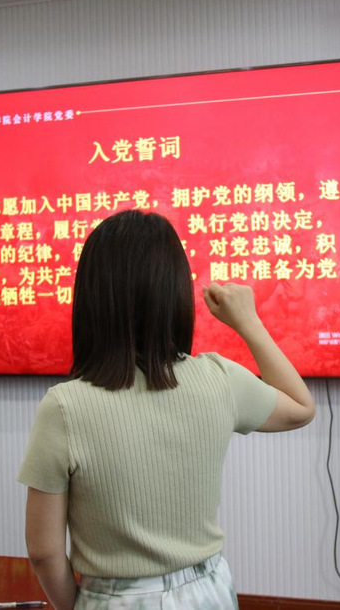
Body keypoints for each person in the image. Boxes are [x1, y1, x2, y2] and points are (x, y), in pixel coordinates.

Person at [18, 210, 315, 609]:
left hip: (116, 599)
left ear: (91, 297)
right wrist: (248, 321)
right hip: (209, 591)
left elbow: (44, 552)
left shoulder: (64, 406)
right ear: (175, 291)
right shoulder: (219, 377)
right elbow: (301, 407)